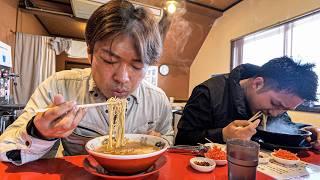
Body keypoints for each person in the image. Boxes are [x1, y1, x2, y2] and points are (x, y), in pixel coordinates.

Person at [0, 0, 173, 165]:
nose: (122, 77)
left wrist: (161, 142)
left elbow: (168, 140)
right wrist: (39, 134)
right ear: (90, 53)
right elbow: (5, 149)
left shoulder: (157, 101)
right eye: (109, 60)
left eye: (137, 65)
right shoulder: (59, 87)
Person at [175, 56, 320, 150]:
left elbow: (283, 128)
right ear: (257, 84)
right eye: (275, 103)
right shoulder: (208, 93)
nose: (276, 113)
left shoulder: (276, 106)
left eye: (286, 109)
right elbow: (182, 141)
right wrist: (223, 135)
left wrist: (307, 130)